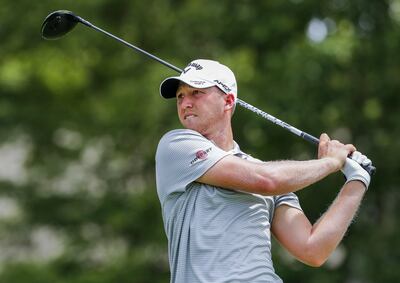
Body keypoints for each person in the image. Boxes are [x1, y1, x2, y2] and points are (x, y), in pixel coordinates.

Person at [155, 59, 372, 283]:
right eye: (180, 96)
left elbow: (312, 249)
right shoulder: (176, 146)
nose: (185, 103)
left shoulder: (269, 172)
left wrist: (357, 180)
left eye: (196, 92)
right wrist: (330, 163)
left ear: (228, 100)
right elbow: (266, 180)